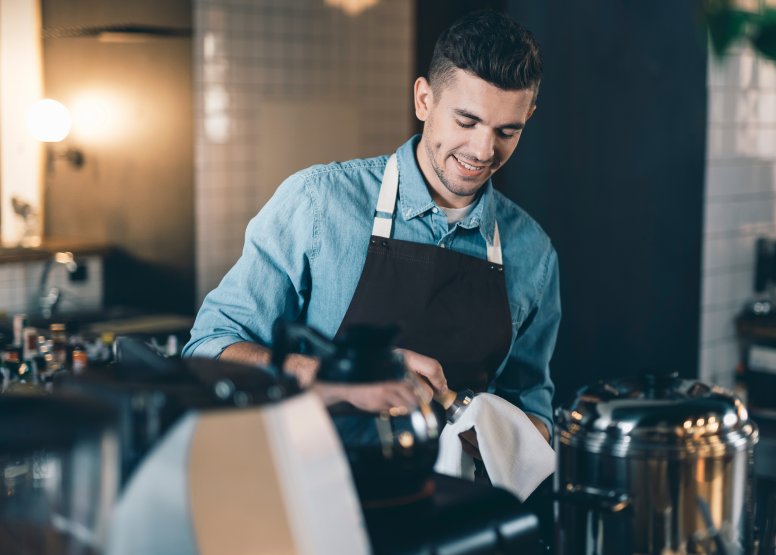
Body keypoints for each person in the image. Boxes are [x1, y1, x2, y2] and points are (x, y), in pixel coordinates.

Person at [182, 10, 559, 445]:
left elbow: (531, 410)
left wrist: (496, 435)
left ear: (528, 117)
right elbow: (210, 347)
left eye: (506, 131)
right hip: (314, 491)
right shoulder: (318, 202)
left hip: (454, 503)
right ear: (424, 99)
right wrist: (338, 376)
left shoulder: (534, 253)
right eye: (466, 121)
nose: (482, 149)